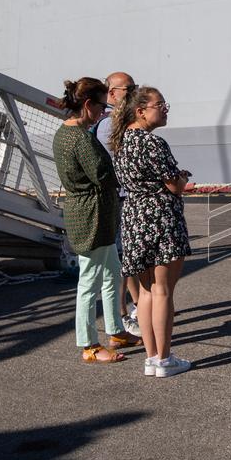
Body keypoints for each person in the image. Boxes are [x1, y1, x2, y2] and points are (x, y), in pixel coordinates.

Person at [51, 77, 142, 364]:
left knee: (112, 272)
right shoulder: (79, 137)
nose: (104, 112)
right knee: (89, 281)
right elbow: (102, 175)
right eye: (102, 106)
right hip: (92, 215)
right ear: (87, 105)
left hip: (91, 212)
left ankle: (115, 329)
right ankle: (88, 344)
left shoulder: (67, 133)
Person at [110, 87, 193, 378]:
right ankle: (164, 358)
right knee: (163, 291)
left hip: (133, 218)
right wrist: (182, 178)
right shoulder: (153, 143)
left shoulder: (121, 144)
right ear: (141, 111)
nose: (165, 108)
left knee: (145, 293)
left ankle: (151, 358)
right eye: (160, 104)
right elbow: (173, 186)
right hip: (159, 217)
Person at [94, 71, 141, 336]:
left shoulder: (119, 120)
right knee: (122, 258)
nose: (134, 92)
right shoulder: (111, 123)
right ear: (112, 93)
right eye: (129, 88)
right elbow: (125, 160)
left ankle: (136, 305)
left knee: (129, 256)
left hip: (123, 196)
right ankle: (123, 315)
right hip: (120, 198)